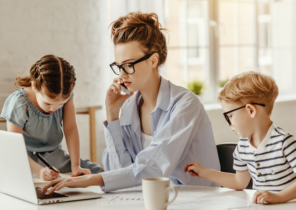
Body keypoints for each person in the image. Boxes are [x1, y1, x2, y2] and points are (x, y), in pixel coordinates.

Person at [41, 12, 219, 195]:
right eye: (119, 66)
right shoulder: (128, 107)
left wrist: (90, 180)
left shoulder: (186, 105)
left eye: (128, 65)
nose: (122, 75)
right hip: (153, 200)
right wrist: (112, 116)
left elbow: (152, 169)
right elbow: (122, 171)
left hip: (197, 200)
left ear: (153, 60)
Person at [184, 71, 296, 204]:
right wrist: (205, 172)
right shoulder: (242, 148)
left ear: (250, 110)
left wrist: (280, 197)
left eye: (230, 116)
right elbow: (239, 182)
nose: (228, 123)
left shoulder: (285, 143)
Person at [0, 54, 103, 181]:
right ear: (34, 86)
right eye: (48, 103)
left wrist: (75, 165)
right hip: (23, 157)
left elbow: (70, 128)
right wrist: (39, 171)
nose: (53, 109)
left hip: (54, 156)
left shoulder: (67, 97)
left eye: (61, 104)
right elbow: (14, 146)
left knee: (99, 172)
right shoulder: (19, 103)